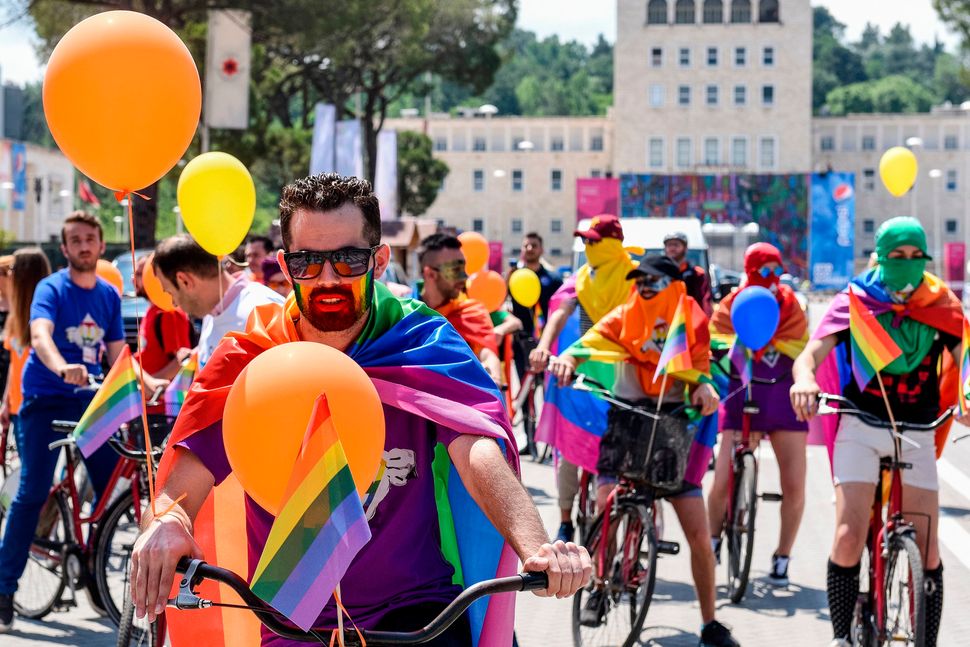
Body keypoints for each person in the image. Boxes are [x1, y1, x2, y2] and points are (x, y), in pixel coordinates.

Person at [129, 173, 590, 646]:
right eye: (308, 262)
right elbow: (188, 470)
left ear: (380, 260)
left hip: (417, 616)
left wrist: (538, 547)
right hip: (291, 622)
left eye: (348, 259)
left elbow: (477, 450)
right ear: (286, 268)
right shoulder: (249, 356)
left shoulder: (422, 342)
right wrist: (169, 522)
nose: (328, 278)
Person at [790, 217, 967, 647]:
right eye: (896, 257)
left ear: (925, 258)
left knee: (926, 549)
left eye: (914, 257)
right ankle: (841, 638)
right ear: (880, 257)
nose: (906, 265)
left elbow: (966, 363)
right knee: (849, 536)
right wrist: (805, 380)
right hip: (861, 425)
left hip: (918, 430)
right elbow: (808, 356)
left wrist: (967, 394)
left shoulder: (942, 304)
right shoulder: (855, 299)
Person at [549, 255, 739, 647]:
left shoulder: (692, 321)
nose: (645, 286)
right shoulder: (625, 314)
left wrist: (703, 387)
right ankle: (601, 586)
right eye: (640, 279)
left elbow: (703, 369)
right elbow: (590, 341)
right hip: (626, 422)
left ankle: (710, 623)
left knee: (700, 535)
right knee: (606, 506)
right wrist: (568, 357)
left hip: (673, 429)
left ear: (674, 285)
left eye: (653, 280)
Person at [0, 212, 162, 632]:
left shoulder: (108, 295)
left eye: (90, 238)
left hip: (90, 401)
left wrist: (147, 381)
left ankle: (92, 562)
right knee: (33, 489)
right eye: (76, 240)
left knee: (113, 485)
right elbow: (40, 336)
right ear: (66, 247)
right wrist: (61, 367)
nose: (84, 246)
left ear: (101, 245)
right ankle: (4, 589)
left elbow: (116, 355)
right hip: (46, 398)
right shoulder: (51, 288)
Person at [529, 215, 636, 543]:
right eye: (585, 242)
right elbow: (560, 312)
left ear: (611, 245)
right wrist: (544, 347)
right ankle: (565, 518)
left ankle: (630, 533)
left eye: (594, 242)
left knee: (626, 460)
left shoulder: (635, 278)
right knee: (570, 447)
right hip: (580, 370)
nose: (588, 248)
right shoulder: (584, 277)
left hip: (624, 376)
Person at [707, 243, 809, 587]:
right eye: (764, 269)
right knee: (721, 479)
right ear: (750, 269)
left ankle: (782, 557)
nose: (772, 277)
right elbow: (715, 346)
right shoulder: (729, 303)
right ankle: (713, 541)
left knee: (794, 484)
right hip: (740, 397)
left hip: (783, 396)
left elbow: (801, 343)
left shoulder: (791, 303)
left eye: (777, 269)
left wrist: (767, 341)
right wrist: (741, 342)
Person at [152, 234, 286, 367]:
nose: (174, 303)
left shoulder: (265, 310)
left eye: (170, 293)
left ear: (185, 281)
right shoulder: (210, 309)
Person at [416, 233, 502, 385]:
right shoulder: (405, 313)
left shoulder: (472, 312)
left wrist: (493, 375)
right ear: (430, 274)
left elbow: (487, 354)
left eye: (464, 268)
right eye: (455, 270)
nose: (464, 277)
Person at [0, 249, 52, 448]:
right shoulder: (16, 316)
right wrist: (6, 403)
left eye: (12, 269)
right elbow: (14, 362)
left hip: (34, 406)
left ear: (25, 274)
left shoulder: (43, 319)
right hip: (16, 408)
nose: (9, 274)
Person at [133, 254, 195, 381]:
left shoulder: (169, 312)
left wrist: (150, 383)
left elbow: (182, 362)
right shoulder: (153, 309)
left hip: (161, 399)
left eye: (140, 274)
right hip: (147, 397)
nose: (133, 279)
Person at [509, 233, 563, 376]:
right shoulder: (514, 277)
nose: (529, 248)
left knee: (548, 390)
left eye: (534, 245)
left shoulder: (554, 279)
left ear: (542, 250)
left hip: (548, 343)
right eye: (526, 245)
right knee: (523, 392)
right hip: (521, 342)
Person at [664, 231, 713, 316]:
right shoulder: (658, 274)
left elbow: (705, 301)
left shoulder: (697, 274)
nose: (672, 248)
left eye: (676, 245)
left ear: (685, 248)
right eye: (669, 245)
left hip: (690, 320)